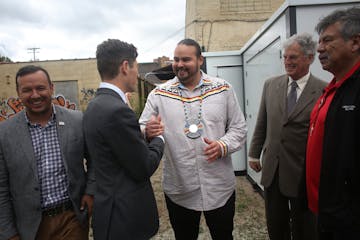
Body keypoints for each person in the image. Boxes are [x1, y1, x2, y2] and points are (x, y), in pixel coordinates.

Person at [139, 38, 247, 240]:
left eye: (186, 59)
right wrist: (147, 131)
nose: (179, 65)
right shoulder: (159, 94)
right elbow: (141, 126)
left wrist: (223, 145)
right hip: (180, 188)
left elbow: (239, 128)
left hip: (219, 187)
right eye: (176, 59)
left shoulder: (222, 89)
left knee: (224, 236)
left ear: (200, 60)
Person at [0, 65, 95, 240]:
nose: (35, 95)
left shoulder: (77, 120)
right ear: (18, 93)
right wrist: (8, 232)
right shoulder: (4, 133)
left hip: (71, 218)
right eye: (27, 90)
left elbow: (94, 160)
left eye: (40, 88)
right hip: (30, 226)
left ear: (51, 88)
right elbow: (1, 187)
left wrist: (90, 191)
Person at [83, 39, 165, 240]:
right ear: (125, 67)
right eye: (136, 67)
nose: (137, 73)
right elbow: (143, 166)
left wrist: (144, 133)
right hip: (124, 219)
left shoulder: (95, 105)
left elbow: (114, 146)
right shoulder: (117, 110)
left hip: (109, 214)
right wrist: (160, 138)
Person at [248, 33, 327, 240]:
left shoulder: (323, 90)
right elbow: (262, 122)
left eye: (293, 57)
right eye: (285, 57)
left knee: (305, 228)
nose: (287, 62)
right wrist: (254, 154)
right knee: (276, 225)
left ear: (309, 58)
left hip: (303, 172)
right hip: (273, 170)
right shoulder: (271, 85)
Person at [306, 7, 360, 240]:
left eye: (327, 40)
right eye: (319, 41)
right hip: (327, 214)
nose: (319, 48)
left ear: (355, 43)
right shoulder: (332, 89)